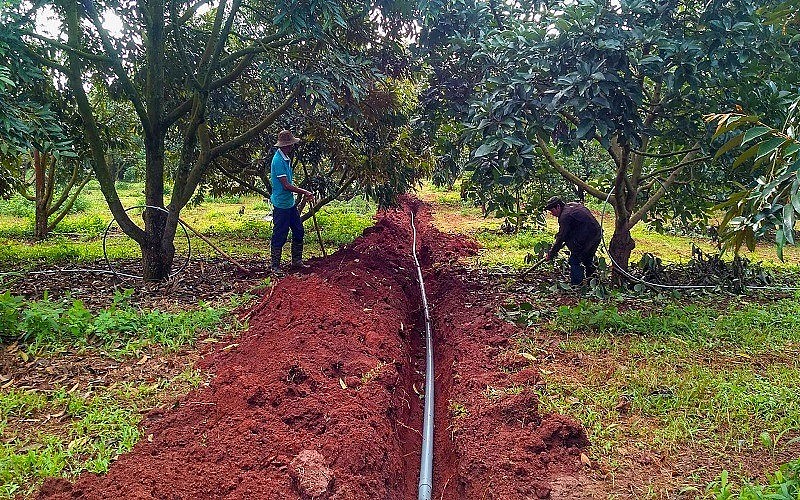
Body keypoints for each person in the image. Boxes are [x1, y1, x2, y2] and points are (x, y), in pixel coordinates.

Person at [269, 129, 314, 273]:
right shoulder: (278, 161)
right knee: (280, 234)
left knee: (299, 230)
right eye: (289, 145)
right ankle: (275, 266)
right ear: (283, 146)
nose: (291, 147)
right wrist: (304, 191)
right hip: (281, 204)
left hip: (289, 203)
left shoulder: (285, 159)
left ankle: (297, 261)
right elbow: (286, 185)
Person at [544, 196, 602, 285]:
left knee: (575, 260)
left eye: (552, 210)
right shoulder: (572, 206)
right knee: (587, 259)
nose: (552, 213)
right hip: (596, 233)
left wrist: (551, 254)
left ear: (558, 207)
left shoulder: (565, 216)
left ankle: (577, 284)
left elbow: (561, 237)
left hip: (590, 237)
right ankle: (593, 282)